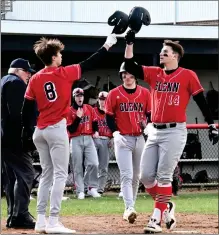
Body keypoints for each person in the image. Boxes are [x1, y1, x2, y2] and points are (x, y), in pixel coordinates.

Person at [123, 30, 219, 233]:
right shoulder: (154, 73)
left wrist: (211, 125)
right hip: (154, 131)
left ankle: (155, 219)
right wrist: (130, 42)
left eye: (165, 52)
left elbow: (201, 101)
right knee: (146, 177)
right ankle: (166, 205)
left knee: (164, 176)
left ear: (175, 56)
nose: (161, 55)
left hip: (175, 132)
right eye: (161, 52)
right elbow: (131, 66)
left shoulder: (187, 75)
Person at [21, 34, 117, 234]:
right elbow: (92, 62)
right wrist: (108, 44)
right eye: (59, 54)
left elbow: (27, 109)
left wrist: (26, 131)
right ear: (54, 57)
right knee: (60, 174)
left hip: (40, 131)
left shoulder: (36, 78)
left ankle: (40, 220)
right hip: (56, 129)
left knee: (46, 175)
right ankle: (53, 220)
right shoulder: (64, 73)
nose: (61, 57)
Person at [105, 62, 151, 224]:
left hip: (139, 138)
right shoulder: (114, 93)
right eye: (125, 74)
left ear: (135, 76)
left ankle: (131, 206)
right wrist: (115, 133)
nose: (128, 77)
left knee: (137, 175)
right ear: (121, 75)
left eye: (131, 74)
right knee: (126, 174)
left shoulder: (145, 93)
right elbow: (109, 116)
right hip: (122, 138)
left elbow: (150, 114)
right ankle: (128, 208)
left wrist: (149, 127)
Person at [1, 58, 36, 229]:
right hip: (13, 139)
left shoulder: (3, 81)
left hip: (3, 138)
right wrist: (27, 135)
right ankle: (20, 215)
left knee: (11, 177)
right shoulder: (16, 83)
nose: (29, 75)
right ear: (17, 70)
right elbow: (17, 114)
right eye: (27, 71)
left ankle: (12, 216)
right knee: (27, 174)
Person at [67, 88, 101, 199]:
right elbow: (71, 129)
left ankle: (91, 187)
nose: (79, 98)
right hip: (75, 138)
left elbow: (95, 121)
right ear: (74, 97)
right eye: (77, 96)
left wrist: (96, 131)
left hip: (88, 137)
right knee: (77, 166)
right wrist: (77, 117)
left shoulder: (89, 108)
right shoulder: (70, 110)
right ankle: (80, 190)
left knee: (94, 163)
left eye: (81, 95)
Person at [93, 91, 113, 195]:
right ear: (98, 100)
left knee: (103, 166)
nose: (103, 101)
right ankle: (92, 188)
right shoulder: (93, 111)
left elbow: (115, 127)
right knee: (93, 164)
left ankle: (100, 189)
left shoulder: (111, 112)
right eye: (101, 99)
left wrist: (112, 139)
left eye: (104, 99)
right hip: (95, 140)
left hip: (106, 140)